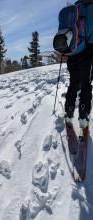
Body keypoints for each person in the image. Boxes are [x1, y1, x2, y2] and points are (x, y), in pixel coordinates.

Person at [65, 0, 93, 129]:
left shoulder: (75, 7)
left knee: (74, 83)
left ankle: (69, 112)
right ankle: (83, 116)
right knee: (86, 84)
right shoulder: (91, 7)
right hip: (87, 51)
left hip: (72, 52)